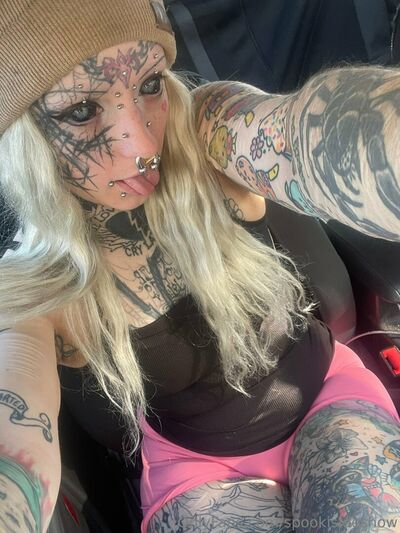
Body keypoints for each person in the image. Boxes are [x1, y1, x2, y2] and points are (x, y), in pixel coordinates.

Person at [0, 1, 400, 532]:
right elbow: (14, 416)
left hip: (330, 398)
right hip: (193, 473)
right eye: (81, 112)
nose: (144, 145)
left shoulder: (205, 135)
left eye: (150, 85)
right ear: (22, 137)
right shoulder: (36, 285)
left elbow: (302, 136)